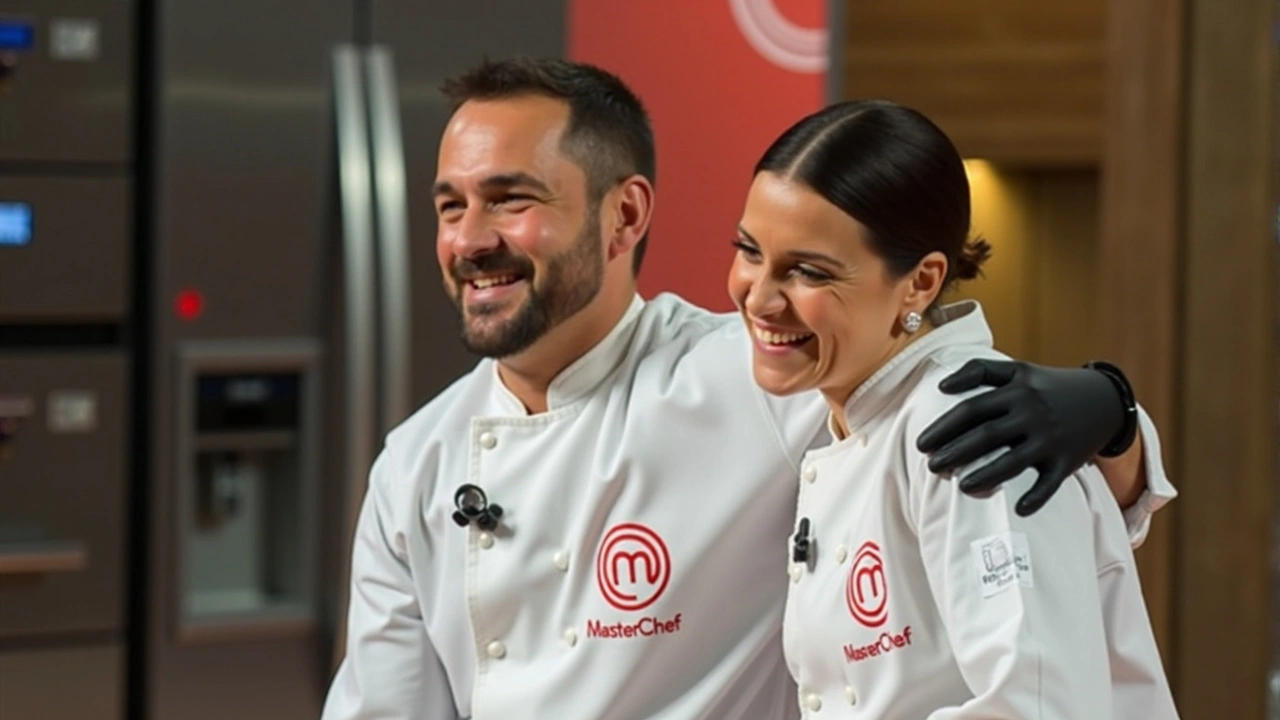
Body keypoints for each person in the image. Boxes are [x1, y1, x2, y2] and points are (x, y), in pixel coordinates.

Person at [320, 57, 1175, 720]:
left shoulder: (765, 374)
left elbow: (968, 420)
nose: (471, 239)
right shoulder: (416, 464)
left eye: (510, 200)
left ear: (624, 217)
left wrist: (1111, 413)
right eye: (449, 206)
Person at [729, 99, 1178, 718]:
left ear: (919, 282)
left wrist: (1117, 408)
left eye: (807, 271)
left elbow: (1033, 707)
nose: (760, 298)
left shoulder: (969, 427)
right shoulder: (853, 409)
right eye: (749, 251)